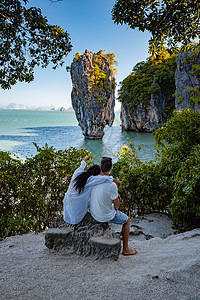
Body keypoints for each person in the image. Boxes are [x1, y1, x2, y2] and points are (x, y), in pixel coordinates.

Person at [90, 157, 138, 256]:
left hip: (93, 213)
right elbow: (116, 207)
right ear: (111, 169)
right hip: (103, 216)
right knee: (127, 220)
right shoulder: (112, 185)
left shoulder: (94, 179)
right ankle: (126, 249)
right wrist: (117, 199)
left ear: (100, 167)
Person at [63, 155, 114, 225]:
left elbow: (81, 166)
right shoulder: (93, 179)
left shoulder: (77, 173)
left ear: (89, 168)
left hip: (67, 211)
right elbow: (108, 178)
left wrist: (84, 160)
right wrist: (117, 181)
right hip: (77, 216)